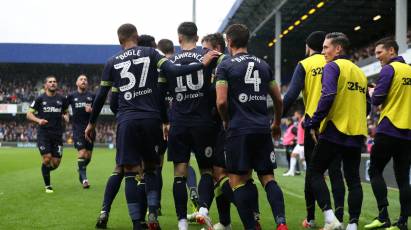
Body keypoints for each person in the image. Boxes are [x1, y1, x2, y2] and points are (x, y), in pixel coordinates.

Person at [85, 23, 218, 230]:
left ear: (120, 41)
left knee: (129, 171)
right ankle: (153, 213)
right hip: (151, 119)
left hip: (128, 120)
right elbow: (174, 70)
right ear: (136, 36)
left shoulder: (112, 62)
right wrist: (200, 64)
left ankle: (138, 222)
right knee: (152, 168)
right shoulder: (150, 52)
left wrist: (91, 123)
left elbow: (102, 97)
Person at [216, 23, 288, 230]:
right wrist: (275, 123)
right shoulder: (263, 65)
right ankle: (281, 223)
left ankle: (252, 226)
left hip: (239, 129)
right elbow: (278, 100)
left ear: (229, 41)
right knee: (268, 178)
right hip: (262, 129)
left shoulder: (226, 66)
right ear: (247, 41)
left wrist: (226, 120)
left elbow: (221, 102)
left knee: (238, 180)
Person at [158, 22, 223, 230]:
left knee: (179, 173)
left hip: (178, 123)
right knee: (206, 170)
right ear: (197, 37)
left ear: (179, 39)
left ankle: (182, 222)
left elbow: (160, 96)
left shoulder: (169, 62)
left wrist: (165, 121)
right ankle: (203, 210)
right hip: (203, 122)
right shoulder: (209, 56)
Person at [306, 32, 370, 230]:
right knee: (353, 179)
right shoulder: (360, 73)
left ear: (338, 49)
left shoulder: (332, 66)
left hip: (335, 130)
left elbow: (328, 95)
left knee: (314, 172)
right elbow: (367, 105)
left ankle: (330, 218)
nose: (323, 51)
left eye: (326, 47)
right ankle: (352, 224)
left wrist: (313, 122)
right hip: (356, 132)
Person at [282, 31, 346, 227]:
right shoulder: (340, 63)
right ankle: (340, 218)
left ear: (308, 46)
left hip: (314, 125)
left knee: (312, 173)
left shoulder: (305, 64)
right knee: (336, 173)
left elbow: (291, 95)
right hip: (338, 124)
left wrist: (277, 118)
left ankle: (311, 218)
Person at [364, 38, 411, 230]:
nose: (377, 57)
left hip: (389, 128)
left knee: (374, 170)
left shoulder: (389, 70)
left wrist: (371, 91)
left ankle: (383, 215)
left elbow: (377, 101)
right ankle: (402, 223)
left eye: (379, 53)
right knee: (403, 178)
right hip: (408, 133)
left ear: (391, 51)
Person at [27, 75, 69, 193]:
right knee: (47, 159)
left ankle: (44, 171)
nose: (53, 83)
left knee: (55, 163)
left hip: (57, 135)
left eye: (54, 82)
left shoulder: (62, 99)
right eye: (50, 82)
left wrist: (66, 117)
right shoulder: (40, 99)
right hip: (44, 134)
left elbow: (66, 112)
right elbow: (29, 114)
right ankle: (48, 186)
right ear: (45, 85)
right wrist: (38, 120)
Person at [67, 74, 95, 189]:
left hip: (91, 129)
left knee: (88, 157)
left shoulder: (92, 96)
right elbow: (64, 107)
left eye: (85, 79)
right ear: (77, 83)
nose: (83, 81)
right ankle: (84, 179)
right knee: (82, 153)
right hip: (78, 129)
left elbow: (97, 111)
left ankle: (81, 169)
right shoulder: (71, 96)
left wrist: (92, 110)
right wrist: (66, 115)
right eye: (81, 79)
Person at [283, 111, 305, 176]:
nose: (294, 116)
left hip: (302, 144)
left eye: (295, 115)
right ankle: (291, 171)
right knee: (293, 155)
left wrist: (294, 141)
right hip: (299, 144)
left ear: (299, 115)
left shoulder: (302, 122)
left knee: (303, 160)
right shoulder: (299, 123)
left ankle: (310, 172)